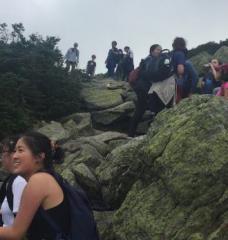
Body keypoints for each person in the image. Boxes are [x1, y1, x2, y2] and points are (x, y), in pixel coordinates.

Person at [0, 132, 70, 239]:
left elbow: (16, 233)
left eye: (20, 150)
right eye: (14, 151)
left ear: (39, 157)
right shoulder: (47, 177)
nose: (14, 156)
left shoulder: (39, 180)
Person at [128, 44, 162, 137]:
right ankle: (131, 134)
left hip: (141, 87)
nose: (160, 51)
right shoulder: (150, 60)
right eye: (157, 49)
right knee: (141, 109)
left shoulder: (147, 59)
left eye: (160, 50)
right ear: (152, 51)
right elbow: (148, 74)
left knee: (142, 108)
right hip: (143, 88)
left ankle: (132, 133)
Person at [0, 136, 27, 227]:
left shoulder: (19, 181)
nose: (1, 158)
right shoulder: (12, 179)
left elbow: (20, 228)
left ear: (13, 154)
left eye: (2, 152)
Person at [172, 37, 198, 103]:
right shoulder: (180, 54)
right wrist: (191, 92)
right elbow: (181, 70)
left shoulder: (171, 55)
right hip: (180, 86)